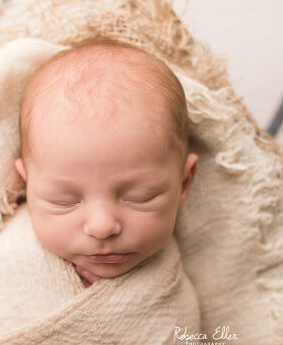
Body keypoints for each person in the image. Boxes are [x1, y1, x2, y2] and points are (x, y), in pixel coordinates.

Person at [14, 38, 198, 287]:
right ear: (26, 186)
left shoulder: (183, 274)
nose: (102, 227)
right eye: (64, 201)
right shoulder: (7, 261)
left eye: (139, 197)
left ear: (184, 184)